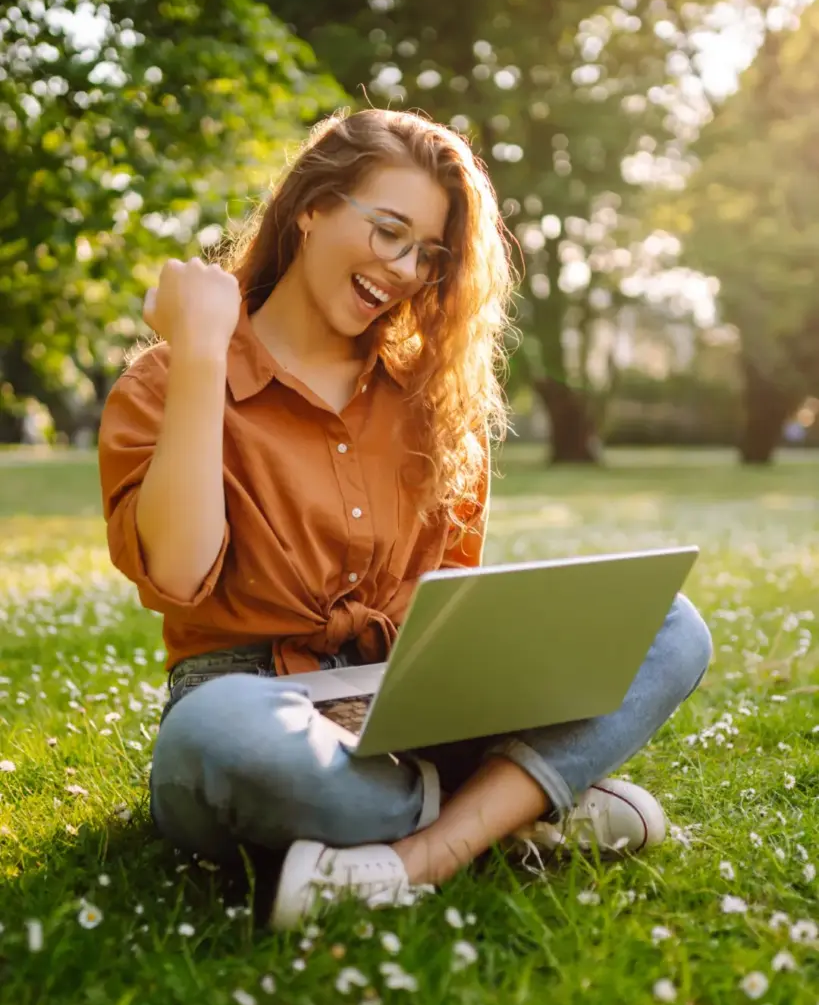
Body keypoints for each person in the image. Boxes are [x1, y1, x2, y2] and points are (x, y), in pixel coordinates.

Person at [97, 108, 713, 931]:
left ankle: (419, 857)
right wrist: (204, 353)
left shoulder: (433, 397)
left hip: (405, 703)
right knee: (221, 735)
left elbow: (448, 600)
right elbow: (177, 571)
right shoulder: (167, 381)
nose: (403, 270)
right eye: (388, 232)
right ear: (311, 207)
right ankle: (513, 809)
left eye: (428, 254)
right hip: (253, 708)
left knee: (671, 625)